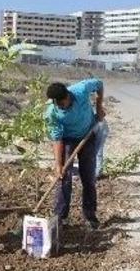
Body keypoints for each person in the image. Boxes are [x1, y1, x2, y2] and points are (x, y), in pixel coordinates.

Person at [44, 78, 105, 229]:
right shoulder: (52, 112)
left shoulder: (81, 90)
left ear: (68, 96)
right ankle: (60, 217)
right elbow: (57, 138)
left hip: (87, 135)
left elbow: (99, 84)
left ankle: (90, 215)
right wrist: (59, 165)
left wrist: (98, 107)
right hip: (67, 141)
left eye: (62, 104)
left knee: (88, 177)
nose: (60, 107)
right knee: (63, 177)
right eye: (56, 104)